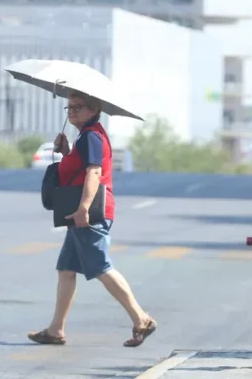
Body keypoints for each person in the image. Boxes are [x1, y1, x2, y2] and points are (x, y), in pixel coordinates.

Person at [27, 90, 157, 347]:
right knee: (66, 270)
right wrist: (66, 152)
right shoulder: (85, 137)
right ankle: (56, 330)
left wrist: (84, 208)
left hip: (89, 213)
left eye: (78, 106)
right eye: (69, 107)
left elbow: (94, 172)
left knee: (101, 267)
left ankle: (141, 318)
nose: (72, 111)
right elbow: (79, 170)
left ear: (94, 110)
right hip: (81, 213)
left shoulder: (91, 137)